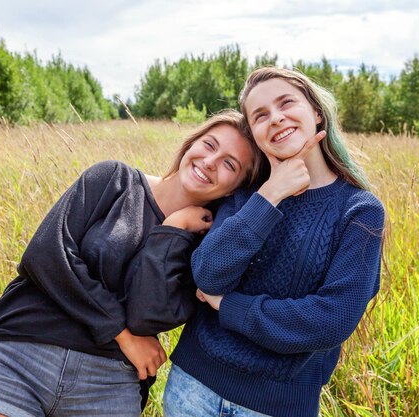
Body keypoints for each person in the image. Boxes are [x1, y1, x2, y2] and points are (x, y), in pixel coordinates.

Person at [0, 109, 264, 417]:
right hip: (23, 347)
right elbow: (47, 256)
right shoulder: (113, 180)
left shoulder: (203, 251)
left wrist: (173, 230)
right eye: (209, 145)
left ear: (236, 187)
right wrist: (122, 334)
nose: (210, 162)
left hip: (109, 381)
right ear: (192, 143)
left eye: (229, 164)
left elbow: (147, 317)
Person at [164, 67, 385, 417]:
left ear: (315, 111)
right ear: (254, 133)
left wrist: (227, 306)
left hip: (276, 405)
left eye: (286, 104)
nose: (277, 119)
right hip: (192, 388)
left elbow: (331, 319)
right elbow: (207, 275)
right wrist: (271, 194)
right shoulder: (246, 195)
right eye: (261, 115)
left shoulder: (358, 211)